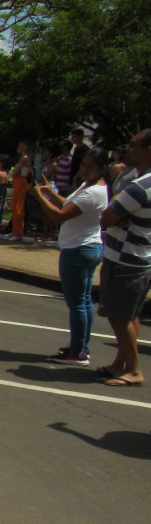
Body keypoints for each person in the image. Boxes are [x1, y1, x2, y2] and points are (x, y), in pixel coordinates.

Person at [30, 148, 110, 366]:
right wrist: (49, 192)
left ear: (102, 169)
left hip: (78, 249)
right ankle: (80, 347)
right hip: (87, 247)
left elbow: (59, 215)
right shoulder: (91, 187)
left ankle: (78, 350)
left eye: (90, 166)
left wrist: (38, 195)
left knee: (77, 303)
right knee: (83, 301)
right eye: (83, 165)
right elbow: (69, 204)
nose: (84, 169)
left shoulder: (94, 192)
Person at [97, 129, 151, 386]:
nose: (128, 149)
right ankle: (121, 362)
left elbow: (106, 217)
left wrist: (117, 210)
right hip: (138, 256)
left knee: (118, 315)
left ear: (147, 150)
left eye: (133, 145)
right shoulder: (139, 180)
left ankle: (134, 369)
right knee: (130, 314)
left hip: (125, 257)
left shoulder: (141, 185)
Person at [7, 142, 32, 241]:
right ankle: (15, 230)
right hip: (19, 181)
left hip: (20, 181)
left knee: (17, 207)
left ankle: (18, 232)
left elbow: (14, 171)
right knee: (15, 206)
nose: (17, 148)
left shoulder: (24, 158)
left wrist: (12, 173)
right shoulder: (25, 158)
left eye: (19, 146)